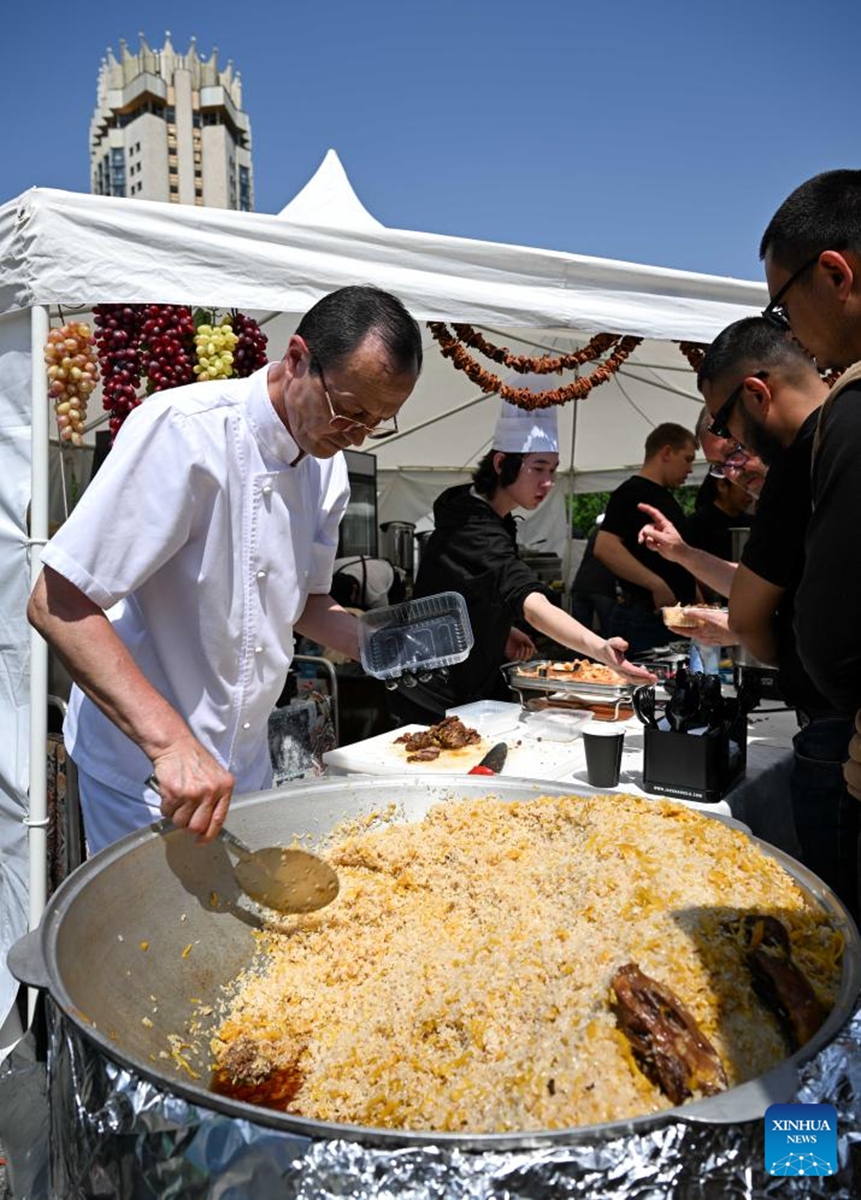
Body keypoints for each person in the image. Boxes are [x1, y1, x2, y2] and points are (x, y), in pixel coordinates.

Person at [27, 285, 423, 851]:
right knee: (156, 939)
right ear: (296, 359)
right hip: (145, 770)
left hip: (244, 762)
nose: (356, 435)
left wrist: (372, 642)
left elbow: (305, 601)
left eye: (379, 421)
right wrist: (169, 745)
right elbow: (58, 599)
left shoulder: (325, 469)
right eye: (351, 411)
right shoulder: (183, 430)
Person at [677, 317, 856, 918]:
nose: (735, 447)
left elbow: (750, 618)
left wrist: (785, 647)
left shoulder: (804, 459)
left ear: (756, 393)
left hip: (836, 733)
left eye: (726, 426)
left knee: (838, 906)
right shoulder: (845, 431)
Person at [388, 401, 654, 725]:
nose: (548, 482)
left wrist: (499, 626)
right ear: (502, 463)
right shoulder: (472, 527)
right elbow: (530, 602)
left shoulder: (486, 514)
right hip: (432, 691)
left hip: (464, 681)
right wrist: (600, 650)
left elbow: (469, 589)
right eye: (538, 468)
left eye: (553, 470)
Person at [759, 170, 861, 806]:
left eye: (782, 306)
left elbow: (836, 635)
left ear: (834, 274)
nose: (789, 331)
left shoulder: (853, 408)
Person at [594, 423, 698, 655]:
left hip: (674, 616)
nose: (690, 469)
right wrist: (655, 584)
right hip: (645, 616)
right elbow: (605, 547)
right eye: (688, 458)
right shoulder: (632, 492)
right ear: (667, 452)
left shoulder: (665, 496)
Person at [569, 515, 619, 636]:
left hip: (581, 584)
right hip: (602, 588)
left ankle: (577, 655)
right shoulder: (615, 534)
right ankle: (609, 654)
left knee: (579, 632)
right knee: (609, 630)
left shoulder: (595, 533)